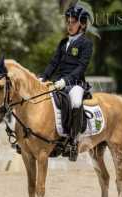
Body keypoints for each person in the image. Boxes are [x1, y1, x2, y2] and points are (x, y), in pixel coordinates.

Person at [39, 4, 93, 161]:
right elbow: (53, 63)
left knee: (75, 101)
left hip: (75, 83)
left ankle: (73, 142)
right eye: (68, 22)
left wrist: (66, 81)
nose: (69, 25)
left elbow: (81, 67)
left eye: (73, 22)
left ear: (82, 24)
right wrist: (43, 77)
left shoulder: (86, 43)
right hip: (58, 82)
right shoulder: (63, 43)